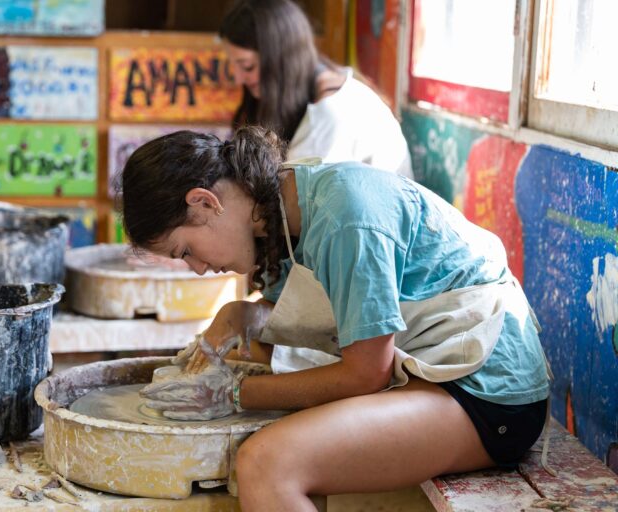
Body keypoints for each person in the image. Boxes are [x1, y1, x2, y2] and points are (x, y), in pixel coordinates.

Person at [118, 126, 550, 511]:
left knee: (266, 465)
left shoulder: (343, 217)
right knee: (261, 391)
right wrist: (241, 315)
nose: (196, 268)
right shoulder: (280, 212)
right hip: (429, 362)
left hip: (487, 388)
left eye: (185, 251)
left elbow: (366, 375)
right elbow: (314, 328)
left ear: (205, 201)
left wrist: (232, 396)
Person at [220, 0, 412, 178]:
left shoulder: (330, 115)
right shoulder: (321, 84)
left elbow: (292, 204)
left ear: (281, 61)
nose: (238, 78)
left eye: (247, 66)